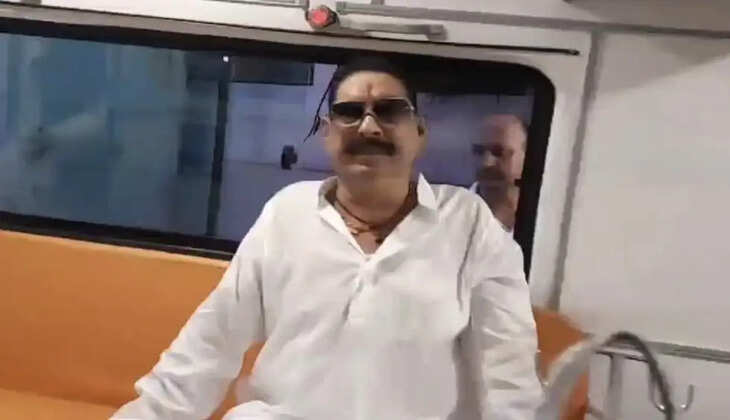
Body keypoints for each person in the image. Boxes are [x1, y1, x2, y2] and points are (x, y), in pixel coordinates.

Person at [112, 56, 542, 420]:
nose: (368, 126)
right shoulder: (288, 212)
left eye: (389, 111)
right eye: (350, 112)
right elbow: (207, 347)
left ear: (420, 132)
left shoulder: (468, 224)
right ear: (327, 133)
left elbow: (510, 378)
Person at [470, 114, 528, 232]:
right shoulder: (449, 217)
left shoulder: (551, 218)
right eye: (479, 151)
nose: (486, 163)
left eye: (499, 152)